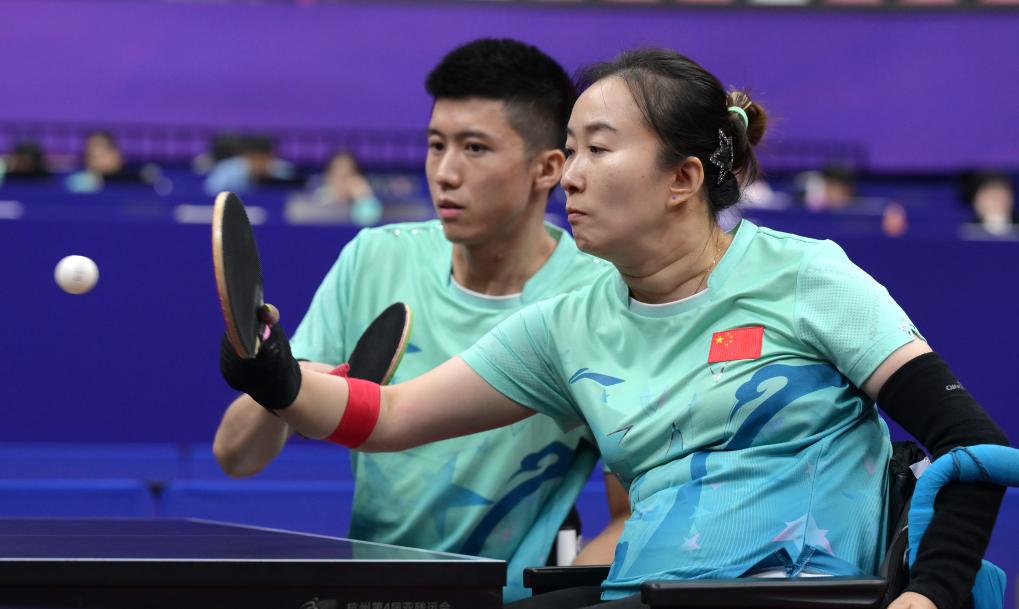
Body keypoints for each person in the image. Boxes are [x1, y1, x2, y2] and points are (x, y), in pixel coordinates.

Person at [219, 48, 1008, 609]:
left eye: (597, 149)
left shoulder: (804, 278)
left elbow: (969, 442)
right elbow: (390, 413)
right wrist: (277, 375)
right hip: (646, 593)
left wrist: (927, 595)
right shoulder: (569, 322)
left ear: (682, 178)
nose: (570, 175)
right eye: (569, 151)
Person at [214, 38, 626, 602]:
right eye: (436, 145)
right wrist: (270, 374)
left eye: (475, 148)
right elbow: (236, 457)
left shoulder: (599, 296)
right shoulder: (374, 259)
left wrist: (557, 598)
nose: (445, 173)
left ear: (548, 168)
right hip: (370, 595)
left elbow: (631, 514)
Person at [284, 151, 383, 226]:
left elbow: (370, 224)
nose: (342, 180)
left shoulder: (360, 203)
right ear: (328, 175)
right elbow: (297, 213)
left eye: (348, 174)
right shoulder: (315, 195)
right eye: (337, 173)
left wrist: (364, 197)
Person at [203, 135, 297, 195]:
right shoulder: (226, 168)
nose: (258, 163)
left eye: (263, 159)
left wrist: (270, 178)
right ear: (246, 155)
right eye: (254, 158)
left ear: (271, 156)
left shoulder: (283, 169)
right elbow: (211, 190)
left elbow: (296, 192)